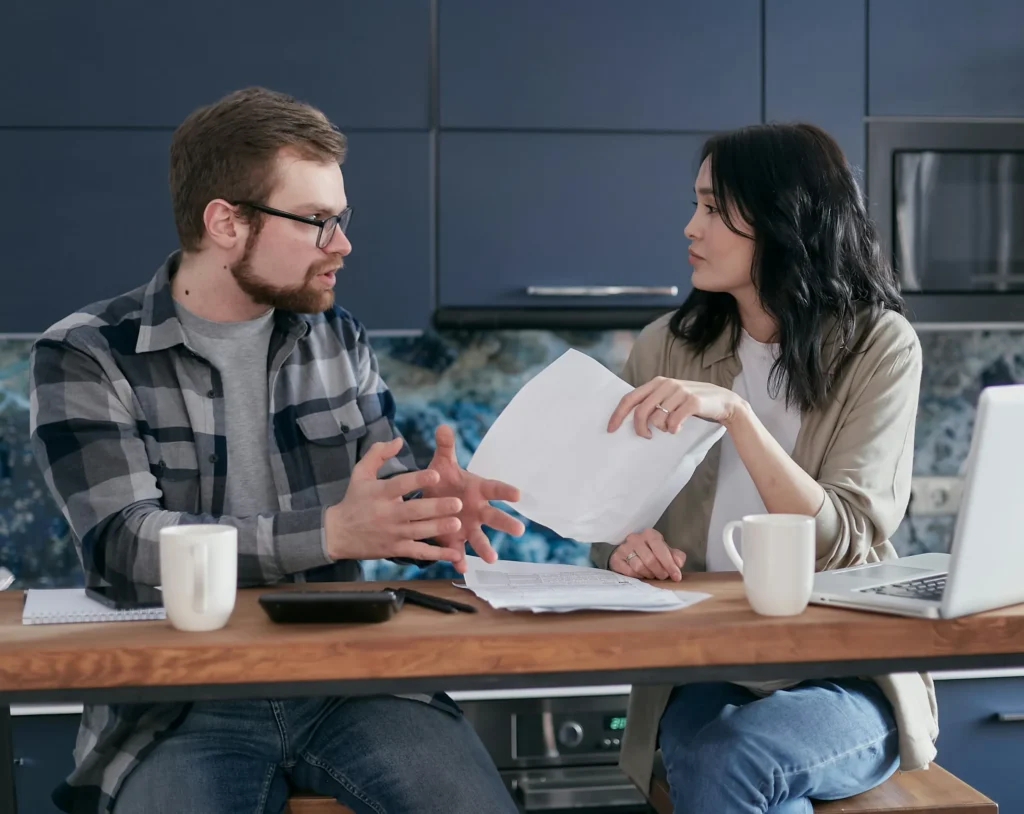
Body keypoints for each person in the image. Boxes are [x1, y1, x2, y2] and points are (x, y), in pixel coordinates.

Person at [30, 87, 525, 814]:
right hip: (176, 704)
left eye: (342, 218)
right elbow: (125, 543)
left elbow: (377, 493)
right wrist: (327, 534)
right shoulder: (86, 353)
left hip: (352, 680)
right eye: (318, 221)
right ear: (226, 222)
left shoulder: (336, 337)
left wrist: (433, 503)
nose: (344, 244)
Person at [590, 123, 937, 813]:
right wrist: (627, 550)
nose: (691, 227)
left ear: (784, 220)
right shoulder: (666, 347)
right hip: (705, 668)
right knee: (728, 764)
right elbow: (608, 530)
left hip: (845, 672)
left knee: (734, 762)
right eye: (696, 204)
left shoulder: (879, 346)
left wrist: (738, 417)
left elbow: (845, 535)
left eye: (715, 209)